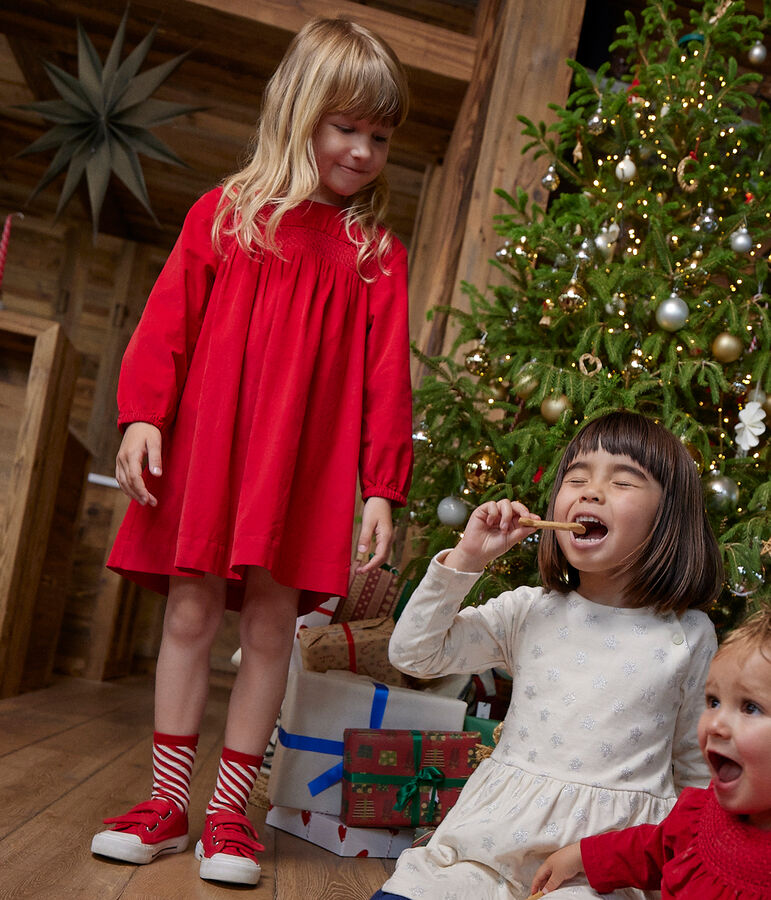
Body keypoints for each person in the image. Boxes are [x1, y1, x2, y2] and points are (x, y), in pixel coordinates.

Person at [90, 16, 412, 887]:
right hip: (212, 454)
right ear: (300, 112)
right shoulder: (225, 216)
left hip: (301, 473)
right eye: (347, 126)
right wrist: (143, 416)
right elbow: (167, 325)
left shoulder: (374, 255)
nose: (362, 151)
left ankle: (231, 812)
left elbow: (388, 381)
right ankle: (166, 803)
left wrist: (381, 486)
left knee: (272, 626)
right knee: (190, 615)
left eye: (379, 136)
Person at [373, 410, 722, 900]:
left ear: (668, 519)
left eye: (623, 482)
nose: (590, 491)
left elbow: (696, 771)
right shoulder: (528, 611)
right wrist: (468, 559)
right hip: (487, 844)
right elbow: (414, 654)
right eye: (576, 478)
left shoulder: (689, 635)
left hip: (598, 865)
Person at [530, 606, 771, 899]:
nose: (716, 724)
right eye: (713, 702)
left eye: (750, 707)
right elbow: (656, 850)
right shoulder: (702, 815)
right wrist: (583, 856)